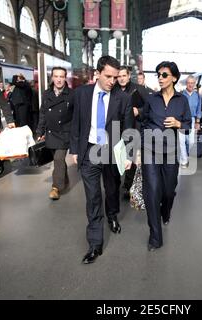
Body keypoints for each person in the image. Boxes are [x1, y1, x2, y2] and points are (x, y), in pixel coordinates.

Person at [70, 56, 134, 264]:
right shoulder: (81, 94)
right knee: (93, 197)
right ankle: (95, 244)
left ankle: (113, 215)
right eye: (108, 76)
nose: (112, 81)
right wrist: (75, 149)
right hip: (89, 152)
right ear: (97, 73)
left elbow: (128, 129)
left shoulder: (122, 98)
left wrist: (129, 155)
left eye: (115, 78)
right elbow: (76, 122)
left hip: (112, 152)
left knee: (112, 189)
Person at [141, 61, 192, 251]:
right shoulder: (151, 99)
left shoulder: (182, 101)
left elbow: (188, 125)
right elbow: (143, 121)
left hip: (171, 153)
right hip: (150, 151)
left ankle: (166, 210)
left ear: (174, 78)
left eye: (164, 75)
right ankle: (155, 237)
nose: (160, 78)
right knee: (152, 192)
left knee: (168, 191)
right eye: (158, 75)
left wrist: (179, 124)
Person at [37, 67, 74, 200]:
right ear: (52, 78)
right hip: (51, 132)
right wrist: (40, 131)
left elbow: (75, 115)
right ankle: (64, 181)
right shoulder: (47, 94)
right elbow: (43, 113)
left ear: (65, 78)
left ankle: (55, 188)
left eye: (61, 76)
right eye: (56, 76)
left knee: (58, 159)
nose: (59, 79)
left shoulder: (71, 94)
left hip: (64, 132)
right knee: (58, 161)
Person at [113, 66, 149, 199]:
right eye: (119, 76)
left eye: (124, 76)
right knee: (115, 159)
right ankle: (115, 184)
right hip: (116, 129)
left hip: (134, 129)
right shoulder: (113, 90)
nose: (121, 79)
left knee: (131, 159)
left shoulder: (138, 89)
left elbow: (149, 107)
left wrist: (138, 111)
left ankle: (127, 186)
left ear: (129, 76)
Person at [179, 75, 202, 168]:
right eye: (189, 83)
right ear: (186, 84)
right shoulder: (181, 95)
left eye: (192, 83)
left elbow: (199, 109)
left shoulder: (197, 96)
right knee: (181, 141)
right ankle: (184, 160)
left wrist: (198, 121)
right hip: (181, 120)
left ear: (194, 84)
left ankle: (187, 155)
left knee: (191, 141)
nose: (190, 85)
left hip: (192, 120)